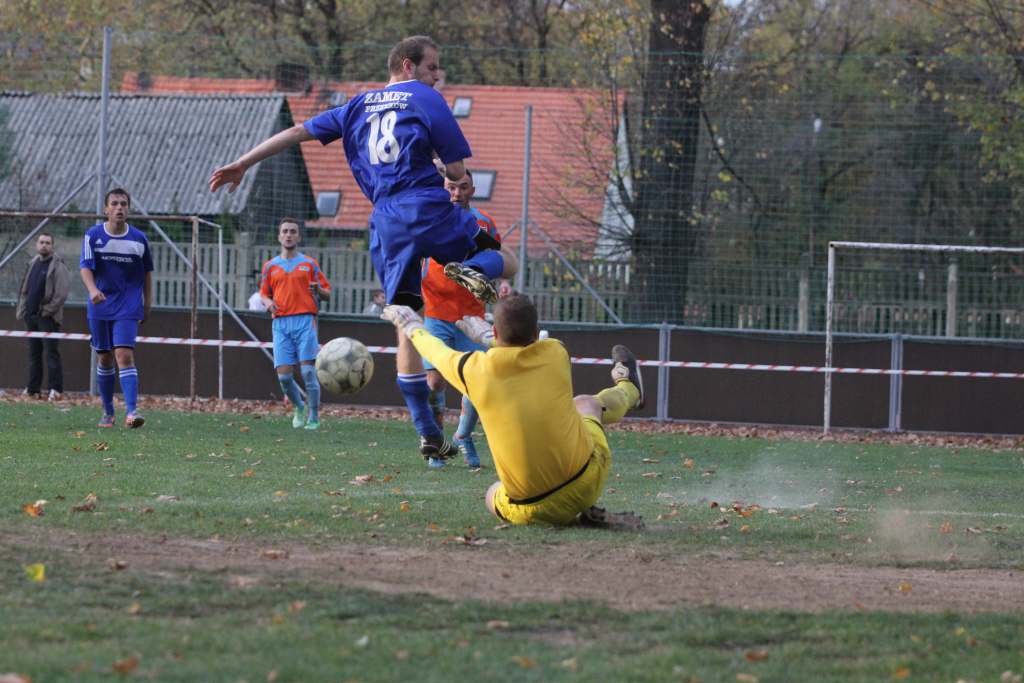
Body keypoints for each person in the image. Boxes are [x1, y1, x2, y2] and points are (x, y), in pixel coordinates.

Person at [209, 35, 517, 462]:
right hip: (428, 206)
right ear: (408, 66)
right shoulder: (426, 98)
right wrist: (438, 164)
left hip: (386, 221)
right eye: (431, 67)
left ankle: (427, 432)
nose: (437, 76)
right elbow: (456, 170)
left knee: (406, 321)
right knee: (505, 259)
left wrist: (243, 162)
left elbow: (297, 131)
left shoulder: (356, 105)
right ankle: (474, 269)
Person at [381, 295, 645, 528]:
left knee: (492, 493)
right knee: (586, 404)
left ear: (496, 331)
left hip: (529, 509)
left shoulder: (474, 369)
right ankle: (629, 387)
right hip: (587, 480)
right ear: (537, 332)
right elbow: (528, 347)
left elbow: (436, 350)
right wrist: (486, 337)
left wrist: (410, 324)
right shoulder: (556, 352)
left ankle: (571, 515)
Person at [420, 169, 500, 468]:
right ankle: (437, 445)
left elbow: (498, 259)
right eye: (451, 187)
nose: (457, 193)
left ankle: (463, 436)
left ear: (472, 190)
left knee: (478, 385)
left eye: (463, 187)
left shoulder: (484, 223)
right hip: (436, 313)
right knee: (434, 382)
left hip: (472, 318)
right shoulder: (428, 220)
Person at [80, 189, 153, 428]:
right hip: (100, 304)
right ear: (106, 209)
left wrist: (147, 303)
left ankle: (132, 412)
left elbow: (147, 273)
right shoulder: (92, 236)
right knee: (104, 358)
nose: (119, 208)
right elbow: (85, 267)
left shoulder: (139, 239)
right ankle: (108, 411)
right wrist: (92, 290)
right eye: (114, 204)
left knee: (124, 355)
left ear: (128, 209)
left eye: (123, 204)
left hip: (128, 305)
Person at [259, 219, 331, 431]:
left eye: (293, 231)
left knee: (308, 372)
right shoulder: (270, 266)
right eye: (285, 231)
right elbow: (263, 293)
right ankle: (299, 407)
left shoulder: (310, 264)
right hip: (280, 323)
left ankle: (314, 416)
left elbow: (327, 293)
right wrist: (268, 303)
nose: (288, 235)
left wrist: (318, 290)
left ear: (298, 237)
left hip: (305, 321)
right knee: (284, 377)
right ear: (279, 236)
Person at [16, 232, 70, 401]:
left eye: (47, 242)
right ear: (37, 245)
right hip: (30, 316)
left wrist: (47, 311)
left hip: (48, 318)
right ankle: (33, 389)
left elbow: (61, 294)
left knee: (51, 354)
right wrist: (23, 309)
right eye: (41, 242)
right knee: (34, 354)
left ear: (52, 246)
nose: (44, 245)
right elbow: (25, 289)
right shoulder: (33, 263)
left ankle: (55, 389)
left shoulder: (58, 265)